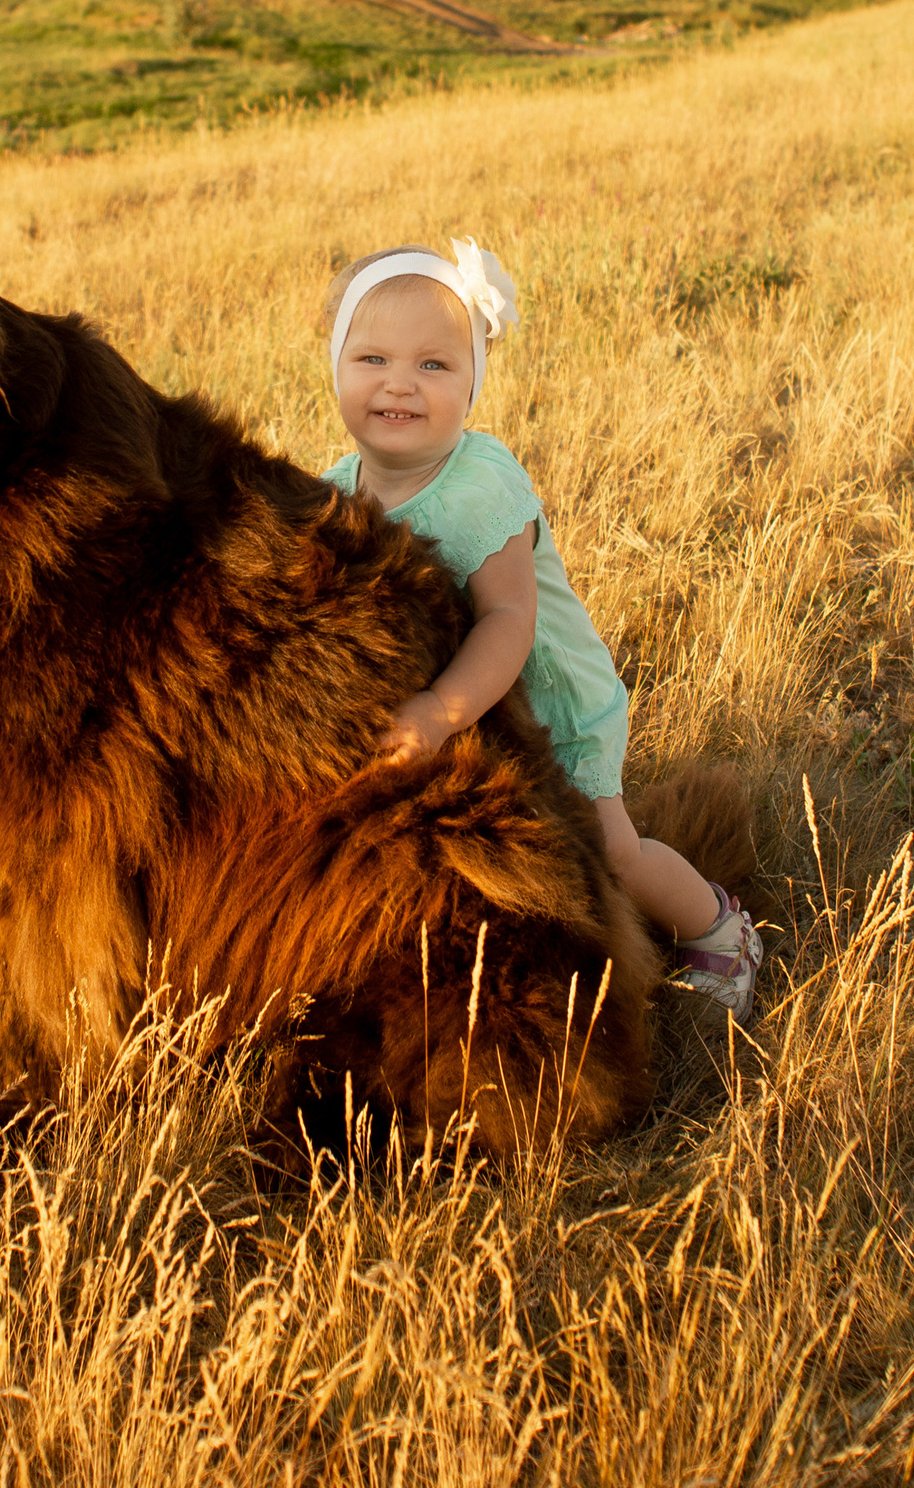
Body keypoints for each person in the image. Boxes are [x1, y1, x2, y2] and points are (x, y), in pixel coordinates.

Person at [318, 242, 763, 1019]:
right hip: (478, 713)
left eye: (433, 364)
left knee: (607, 849)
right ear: (335, 366)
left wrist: (438, 712)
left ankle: (718, 929)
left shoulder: (478, 489)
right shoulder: (333, 490)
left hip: (552, 704)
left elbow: (509, 622)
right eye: (373, 358)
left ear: (473, 380)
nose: (399, 383)